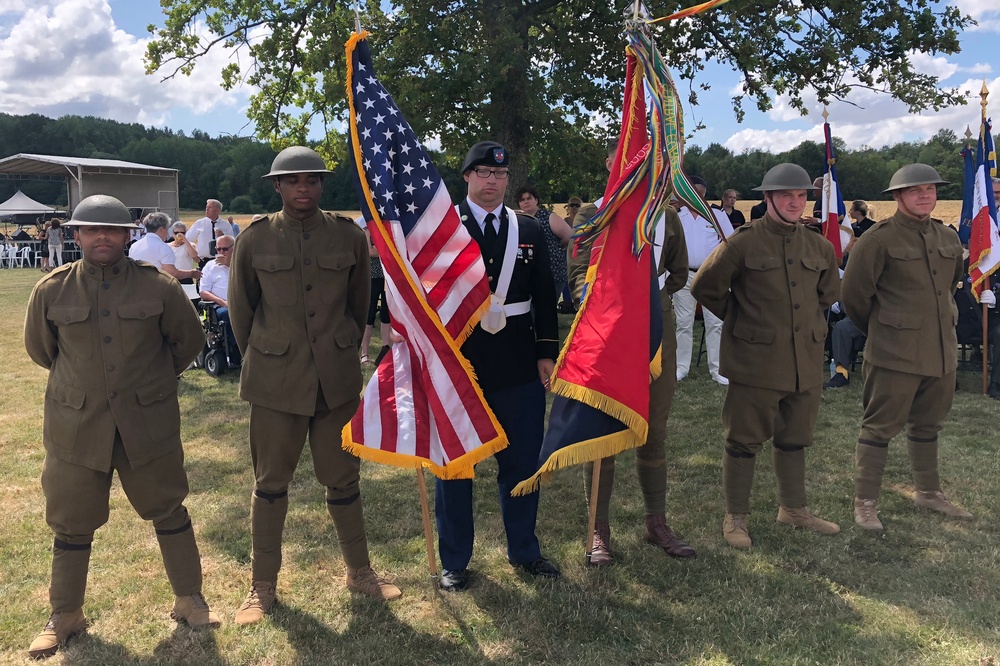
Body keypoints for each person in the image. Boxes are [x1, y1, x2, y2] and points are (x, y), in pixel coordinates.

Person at [23, 194, 219, 659]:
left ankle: (189, 598)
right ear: (76, 235)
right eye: (91, 229)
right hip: (77, 425)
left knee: (169, 508)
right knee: (70, 522)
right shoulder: (52, 289)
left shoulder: (159, 288)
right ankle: (65, 613)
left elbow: (187, 341)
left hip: (146, 422)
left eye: (111, 229)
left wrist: (148, 382)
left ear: (128, 236)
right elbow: (41, 350)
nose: (102, 236)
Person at [228, 146, 400, 625]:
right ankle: (262, 587)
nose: (304, 188)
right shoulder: (255, 239)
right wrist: (268, 356)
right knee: (270, 484)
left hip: (335, 380)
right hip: (275, 382)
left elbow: (358, 302)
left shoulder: (347, 236)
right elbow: (242, 311)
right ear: (277, 187)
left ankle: (360, 571)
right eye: (294, 181)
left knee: (344, 479)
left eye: (313, 180)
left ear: (322, 186)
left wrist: (340, 347)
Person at [691, 163, 841, 549]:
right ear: (768, 198)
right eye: (786, 195)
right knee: (743, 440)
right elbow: (706, 287)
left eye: (802, 195)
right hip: (755, 361)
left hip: (803, 361)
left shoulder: (819, 245)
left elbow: (827, 294)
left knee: (795, 437)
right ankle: (735, 517)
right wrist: (743, 318)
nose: (795, 201)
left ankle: (793, 509)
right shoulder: (741, 242)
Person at [436, 141, 560, 592]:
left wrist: (546, 353)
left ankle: (525, 550)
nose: (492, 181)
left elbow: (545, 294)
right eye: (483, 172)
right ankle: (454, 559)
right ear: (466, 177)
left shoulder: (526, 227)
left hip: (518, 362)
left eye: (500, 174)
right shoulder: (442, 227)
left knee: (523, 462)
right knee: (455, 465)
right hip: (459, 363)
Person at [583, 139, 696, 566]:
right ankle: (599, 527)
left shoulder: (666, 217)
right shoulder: (594, 213)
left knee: (655, 429)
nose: (632, 169)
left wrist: (651, 304)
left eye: (641, 162)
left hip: (656, 332)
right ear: (609, 164)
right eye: (622, 160)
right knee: (603, 432)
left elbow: (679, 273)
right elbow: (579, 277)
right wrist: (613, 306)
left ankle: (656, 521)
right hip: (607, 333)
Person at [841, 164, 972, 532]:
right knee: (879, 428)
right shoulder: (878, 239)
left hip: (940, 350)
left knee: (929, 424)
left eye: (930, 189)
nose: (925, 195)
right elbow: (854, 296)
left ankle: (928, 492)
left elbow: (950, 287)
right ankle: (865, 503)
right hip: (894, 353)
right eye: (916, 190)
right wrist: (885, 331)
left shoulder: (947, 238)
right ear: (897, 196)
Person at [674, 175, 735, 385]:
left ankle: (718, 369)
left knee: (715, 322)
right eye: (691, 191)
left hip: (711, 275)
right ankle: (681, 367)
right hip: (684, 273)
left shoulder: (715, 214)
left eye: (698, 192)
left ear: (704, 193)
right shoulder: (676, 214)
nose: (695, 196)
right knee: (683, 322)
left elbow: (730, 242)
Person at [517, 185, 573, 299]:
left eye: (529, 198)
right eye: (522, 200)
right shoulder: (519, 220)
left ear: (536, 200)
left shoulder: (549, 217)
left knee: (548, 310)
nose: (526, 202)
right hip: (530, 274)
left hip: (553, 273)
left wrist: (555, 247)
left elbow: (569, 236)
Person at [355, 218, 392, 365]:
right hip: (372, 276)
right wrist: (387, 248)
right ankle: (364, 353)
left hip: (387, 276)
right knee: (369, 314)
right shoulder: (365, 228)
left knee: (386, 314)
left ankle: (386, 349)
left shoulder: (387, 225)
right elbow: (370, 252)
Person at [199, 234, 240, 365]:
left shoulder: (240, 264)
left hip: (242, 303)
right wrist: (221, 301)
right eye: (218, 249)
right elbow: (203, 291)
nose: (221, 253)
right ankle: (238, 350)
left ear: (234, 248)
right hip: (220, 305)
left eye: (225, 249)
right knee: (227, 314)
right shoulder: (210, 266)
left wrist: (230, 263)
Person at [129, 212, 202, 282]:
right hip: (155, 286)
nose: (167, 233)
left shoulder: (134, 246)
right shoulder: (163, 247)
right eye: (167, 229)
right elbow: (172, 273)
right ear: (161, 229)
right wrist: (192, 273)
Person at [187, 199, 230, 268]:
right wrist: (193, 253)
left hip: (221, 260)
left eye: (210, 207)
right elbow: (188, 239)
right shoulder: (199, 223)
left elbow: (233, 243)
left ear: (217, 211)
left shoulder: (225, 225)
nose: (207, 209)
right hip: (203, 261)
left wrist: (223, 236)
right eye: (206, 207)